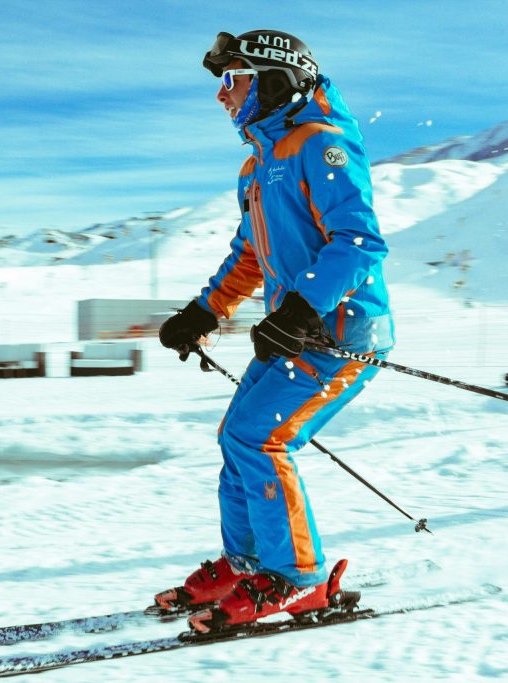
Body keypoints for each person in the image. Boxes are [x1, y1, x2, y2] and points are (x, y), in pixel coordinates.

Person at [156, 29, 394, 634]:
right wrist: (205, 312)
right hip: (297, 333)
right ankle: (249, 566)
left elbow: (358, 242)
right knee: (238, 436)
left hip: (342, 332)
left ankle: (298, 581)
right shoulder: (259, 165)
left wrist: (302, 309)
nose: (222, 96)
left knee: (259, 438)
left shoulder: (322, 144)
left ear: (274, 78)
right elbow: (249, 254)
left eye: (232, 80)